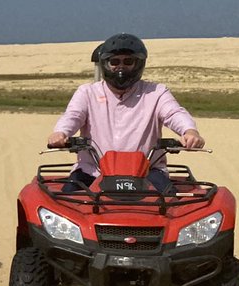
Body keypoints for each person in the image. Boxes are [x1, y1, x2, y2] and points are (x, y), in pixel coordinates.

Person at [47, 33, 205, 193]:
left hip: (147, 172)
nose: (120, 67)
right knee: (66, 204)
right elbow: (73, 115)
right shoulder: (87, 92)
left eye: (128, 61)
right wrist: (61, 132)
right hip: (93, 171)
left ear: (138, 64)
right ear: (105, 64)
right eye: (114, 62)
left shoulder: (156, 92)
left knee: (171, 207)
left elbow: (174, 113)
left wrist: (190, 131)